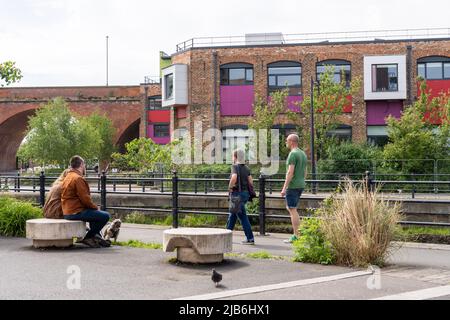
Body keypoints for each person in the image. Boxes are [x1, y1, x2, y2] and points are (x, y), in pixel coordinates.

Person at [61, 155, 111, 248]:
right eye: (84, 165)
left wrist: (93, 208)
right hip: (75, 212)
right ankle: (89, 237)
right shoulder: (78, 178)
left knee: (94, 214)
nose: (85, 167)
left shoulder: (68, 177)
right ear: (81, 165)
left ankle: (97, 237)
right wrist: (96, 207)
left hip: (68, 211)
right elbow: (85, 199)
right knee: (105, 216)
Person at [281, 134, 308, 244]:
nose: (286, 142)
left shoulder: (293, 154)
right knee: (292, 208)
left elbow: (290, 172)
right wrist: (302, 180)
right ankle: (298, 234)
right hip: (300, 184)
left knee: (292, 209)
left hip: (293, 186)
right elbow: (305, 171)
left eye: (287, 140)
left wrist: (284, 188)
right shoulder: (302, 153)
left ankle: (296, 235)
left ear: (292, 141)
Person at [226, 149, 255, 245]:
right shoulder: (246, 168)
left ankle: (250, 238)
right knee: (233, 215)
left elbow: (234, 177)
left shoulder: (234, 166)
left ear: (235, 157)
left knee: (242, 217)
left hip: (236, 195)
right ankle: (226, 236)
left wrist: (230, 187)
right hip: (245, 194)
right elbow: (251, 181)